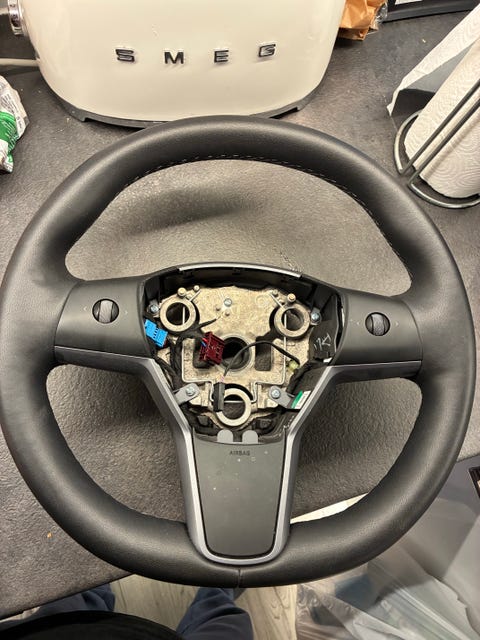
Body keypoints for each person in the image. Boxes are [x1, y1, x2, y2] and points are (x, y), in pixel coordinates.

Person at [0, 585, 254, 639]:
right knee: (228, 621)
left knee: (78, 595)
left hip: (57, 631)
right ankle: (220, 584)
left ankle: (95, 564)